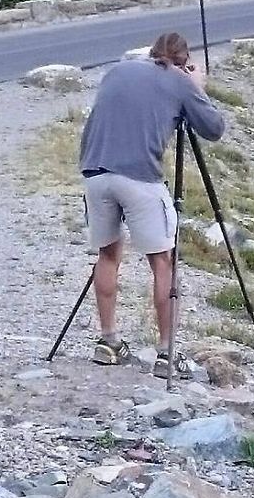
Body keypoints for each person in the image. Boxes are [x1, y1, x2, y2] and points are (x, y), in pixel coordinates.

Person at [79, 32, 225, 378]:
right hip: (139, 178)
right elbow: (214, 129)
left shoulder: (119, 69)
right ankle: (167, 353)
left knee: (108, 254)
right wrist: (197, 86)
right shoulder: (180, 81)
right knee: (163, 261)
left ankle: (108, 342)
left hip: (95, 172)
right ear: (182, 61)